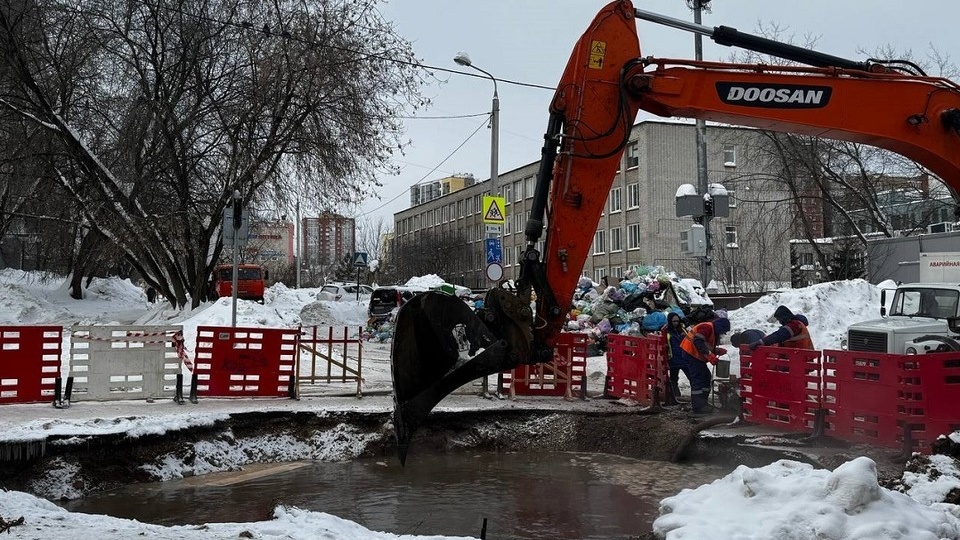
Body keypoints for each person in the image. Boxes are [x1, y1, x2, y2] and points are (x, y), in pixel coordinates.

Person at [680, 316, 731, 414]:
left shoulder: (711, 329)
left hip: (695, 354)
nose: (721, 334)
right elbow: (698, 341)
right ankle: (698, 407)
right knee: (699, 379)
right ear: (720, 327)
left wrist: (715, 351)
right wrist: (709, 355)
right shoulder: (707, 327)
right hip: (691, 354)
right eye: (722, 331)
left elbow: (705, 344)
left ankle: (703, 403)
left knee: (706, 377)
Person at [748, 305, 814, 350]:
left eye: (779, 319)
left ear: (784, 317)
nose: (780, 322)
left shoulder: (794, 325)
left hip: (797, 360)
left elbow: (778, 336)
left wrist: (760, 342)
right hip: (801, 357)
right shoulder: (798, 323)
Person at [660, 312, 690, 405]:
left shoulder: (683, 330)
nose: (676, 323)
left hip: (684, 358)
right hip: (673, 359)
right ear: (670, 321)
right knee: (674, 379)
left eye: (677, 321)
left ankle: (696, 396)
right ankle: (676, 396)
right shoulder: (666, 331)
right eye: (674, 321)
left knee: (691, 377)